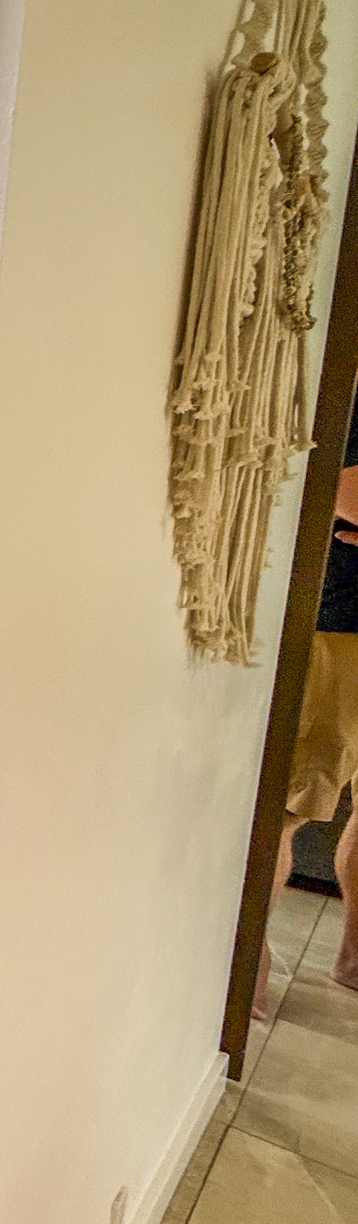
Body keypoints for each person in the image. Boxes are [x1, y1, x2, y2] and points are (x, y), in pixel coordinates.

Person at [258, 415, 358, 1016]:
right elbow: (344, 489)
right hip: (342, 628)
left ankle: (353, 960)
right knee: (289, 808)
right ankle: (245, 967)